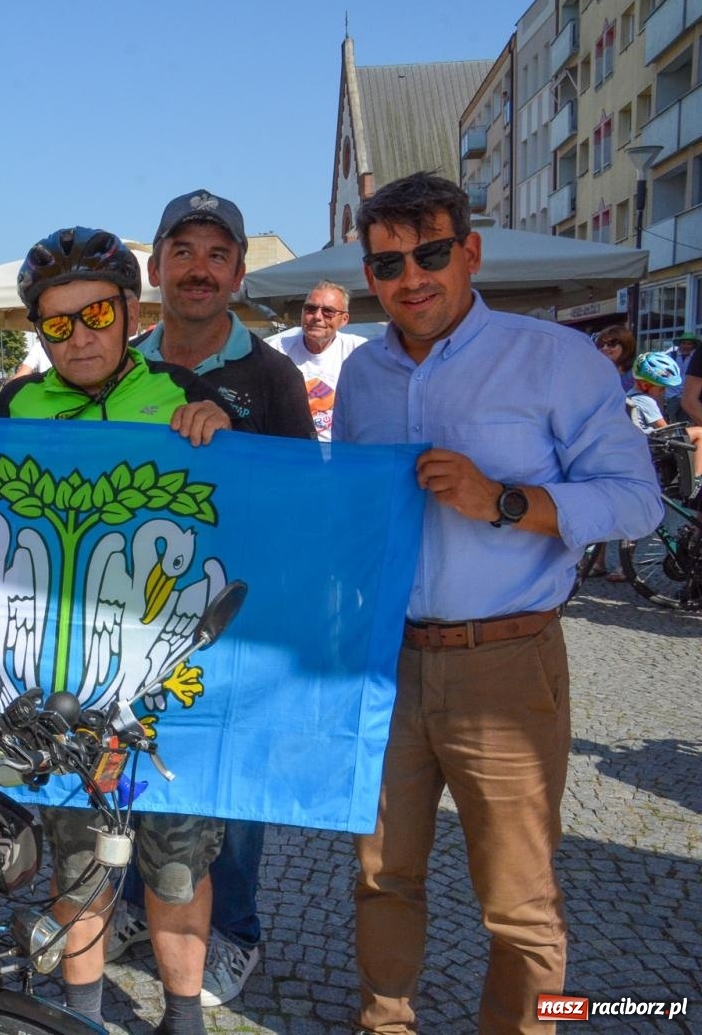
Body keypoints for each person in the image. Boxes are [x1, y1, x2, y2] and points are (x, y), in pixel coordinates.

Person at [334, 172, 661, 1035]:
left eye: (431, 254)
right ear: (370, 274)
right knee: (380, 875)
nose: (412, 277)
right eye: (388, 263)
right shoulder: (362, 377)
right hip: (390, 660)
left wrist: (507, 501)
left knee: (519, 901)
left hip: (507, 663)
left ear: (470, 252)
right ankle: (385, 1022)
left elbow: (638, 501)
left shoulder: (554, 358)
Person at [0, 227, 235, 1035]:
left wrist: (227, 444)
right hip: (62, 683)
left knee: (174, 868)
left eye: (95, 313)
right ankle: (86, 1020)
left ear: (133, 311)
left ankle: (183, 1019)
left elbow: (252, 521)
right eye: (55, 323)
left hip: (167, 684)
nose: (78, 335)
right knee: (80, 865)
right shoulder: (14, 406)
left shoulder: (184, 395)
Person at [126, 189, 315, 1008]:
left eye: (216, 254)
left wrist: (237, 454)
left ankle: (233, 930)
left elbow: (307, 494)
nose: (198, 269)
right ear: (157, 266)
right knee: (140, 761)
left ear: (238, 272)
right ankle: (152, 908)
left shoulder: (271, 373)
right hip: (132, 609)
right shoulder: (120, 360)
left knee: (231, 777)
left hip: (233, 617)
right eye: (183, 251)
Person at [263, 280, 365, 441]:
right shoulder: (275, 350)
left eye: (328, 311)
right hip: (291, 451)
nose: (317, 317)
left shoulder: (359, 351)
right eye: (310, 309)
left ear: (344, 319)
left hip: (343, 454)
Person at [627, 351, 702, 503]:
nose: (663, 391)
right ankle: (697, 479)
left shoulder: (630, 395)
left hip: (646, 442)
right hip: (656, 444)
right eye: (661, 388)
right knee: (700, 433)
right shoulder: (646, 400)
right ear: (645, 384)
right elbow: (665, 428)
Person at [595, 324, 636, 392]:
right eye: (601, 344)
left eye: (611, 344)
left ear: (626, 346)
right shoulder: (597, 375)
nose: (604, 348)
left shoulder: (636, 378)